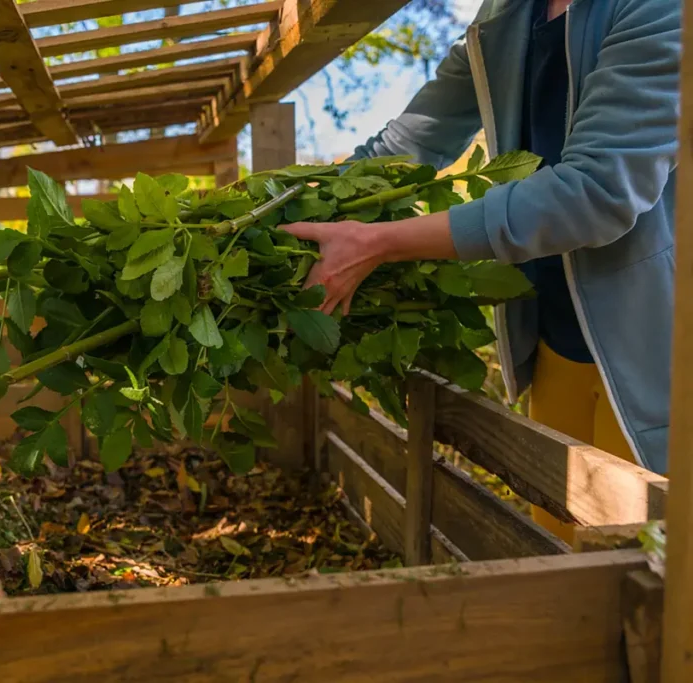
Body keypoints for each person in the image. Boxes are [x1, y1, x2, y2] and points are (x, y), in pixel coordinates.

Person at [284, 0, 680, 536]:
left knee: (654, 572)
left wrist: (380, 242)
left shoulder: (660, 10)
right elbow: (411, 141)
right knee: (562, 555)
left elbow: (594, 193)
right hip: (557, 338)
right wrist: (288, 211)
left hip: (659, 345)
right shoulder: (508, 15)